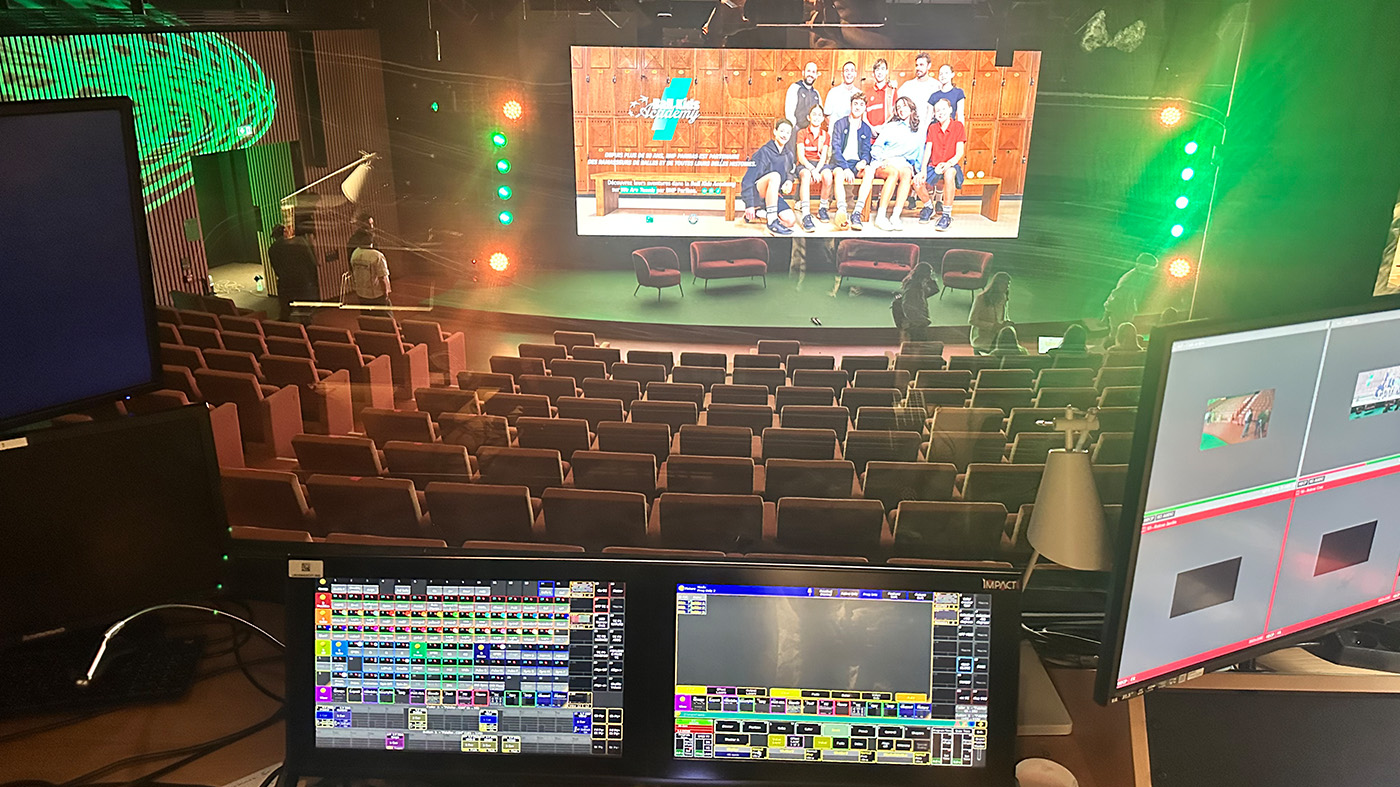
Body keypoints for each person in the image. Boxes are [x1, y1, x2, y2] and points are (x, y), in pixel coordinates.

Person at [852, 96, 922, 231]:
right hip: (883, 162)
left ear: (911, 108)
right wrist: (882, 159)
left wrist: (919, 172)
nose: (901, 110)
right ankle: (881, 216)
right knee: (893, 172)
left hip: (903, 163)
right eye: (898, 107)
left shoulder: (917, 131)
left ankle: (895, 216)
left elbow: (919, 153)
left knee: (907, 173)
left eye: (904, 106)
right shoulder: (891, 127)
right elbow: (876, 148)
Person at [740, 118, 799, 236]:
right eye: (782, 131)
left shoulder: (789, 154)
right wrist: (749, 205)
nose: (784, 135)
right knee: (775, 176)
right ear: (775, 132)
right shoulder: (764, 152)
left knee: (790, 221)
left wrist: (789, 180)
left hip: (773, 195)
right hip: (758, 192)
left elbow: (790, 172)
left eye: (788, 132)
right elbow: (747, 180)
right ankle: (771, 221)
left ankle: (761, 213)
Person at [915, 98, 966, 232]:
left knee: (949, 174)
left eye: (943, 109)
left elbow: (959, 152)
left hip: (951, 165)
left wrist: (948, 163)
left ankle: (946, 214)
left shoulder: (958, 126)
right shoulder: (932, 128)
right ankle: (929, 207)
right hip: (934, 165)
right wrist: (923, 170)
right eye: (937, 110)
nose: (940, 112)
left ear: (950, 110)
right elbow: (928, 150)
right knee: (916, 182)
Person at [829, 94, 874, 230]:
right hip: (841, 162)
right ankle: (842, 210)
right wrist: (845, 168)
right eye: (855, 104)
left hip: (856, 163)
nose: (858, 107)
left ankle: (856, 213)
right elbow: (836, 149)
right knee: (838, 174)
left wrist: (864, 161)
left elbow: (867, 151)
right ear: (851, 105)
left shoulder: (866, 128)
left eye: (861, 104)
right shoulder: (840, 123)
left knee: (870, 171)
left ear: (865, 108)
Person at [266, 224, 320, 322]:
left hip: (285, 283)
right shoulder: (301, 242)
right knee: (305, 311)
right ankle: (306, 331)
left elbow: (276, 269)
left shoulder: (272, 249)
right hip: (303, 281)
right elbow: (311, 262)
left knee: (285, 311)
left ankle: (288, 331)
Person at [795, 104, 834, 231]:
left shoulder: (825, 135)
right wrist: (812, 170)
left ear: (823, 118)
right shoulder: (802, 133)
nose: (817, 117)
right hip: (805, 164)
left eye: (819, 115)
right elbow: (801, 156)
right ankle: (806, 214)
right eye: (814, 114)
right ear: (809, 117)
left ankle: (822, 208)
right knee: (806, 176)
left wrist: (817, 170)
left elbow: (823, 157)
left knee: (828, 176)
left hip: (819, 164)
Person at [1104, 253, 1158, 336]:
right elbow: (1116, 296)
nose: (1150, 271)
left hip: (1128, 312)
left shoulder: (1140, 277)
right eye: (1149, 268)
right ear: (1141, 264)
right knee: (1116, 336)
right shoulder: (1129, 278)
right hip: (1119, 313)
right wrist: (1106, 314)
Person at [784, 61, 823, 159]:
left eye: (813, 72)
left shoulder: (816, 94)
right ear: (803, 73)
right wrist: (794, 130)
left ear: (816, 75)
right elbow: (789, 113)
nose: (810, 74)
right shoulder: (795, 88)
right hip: (797, 130)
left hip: (810, 133)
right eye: (808, 71)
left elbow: (819, 115)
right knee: (793, 159)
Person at [892, 262, 938, 342]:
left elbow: (934, 290)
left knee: (918, 344)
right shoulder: (913, 287)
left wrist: (931, 280)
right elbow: (907, 306)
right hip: (914, 323)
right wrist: (919, 321)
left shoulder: (920, 285)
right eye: (929, 273)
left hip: (917, 321)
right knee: (917, 344)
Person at [969, 271, 1011, 353]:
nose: (1007, 287)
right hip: (982, 340)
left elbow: (1004, 316)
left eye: (1008, 285)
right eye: (1004, 284)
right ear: (997, 284)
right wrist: (992, 326)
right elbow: (972, 320)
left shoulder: (1004, 297)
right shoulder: (981, 298)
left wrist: (1006, 323)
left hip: (997, 338)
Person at [349, 223, 391, 306]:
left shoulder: (355, 253)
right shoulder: (377, 256)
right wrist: (385, 293)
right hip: (376, 295)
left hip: (362, 294)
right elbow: (382, 278)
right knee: (385, 317)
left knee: (368, 317)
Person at [896, 52, 939, 131]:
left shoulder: (936, 86)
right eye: (916, 65)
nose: (918, 68)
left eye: (921, 65)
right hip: (910, 130)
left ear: (929, 66)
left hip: (930, 130)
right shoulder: (907, 86)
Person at [863, 58, 898, 129]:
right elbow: (864, 115)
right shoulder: (866, 94)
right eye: (877, 69)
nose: (880, 72)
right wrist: (871, 129)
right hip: (870, 134)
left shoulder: (892, 91)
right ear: (873, 73)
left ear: (886, 71)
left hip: (887, 132)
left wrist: (883, 128)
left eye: (882, 69)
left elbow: (895, 112)